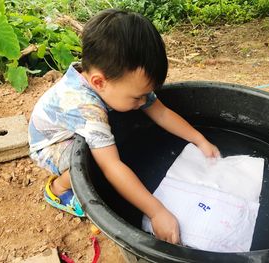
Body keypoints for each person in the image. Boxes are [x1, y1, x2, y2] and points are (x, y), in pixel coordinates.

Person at [28, 9, 220, 244]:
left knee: (109, 142)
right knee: (94, 166)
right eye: (138, 97)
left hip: (76, 126)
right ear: (99, 82)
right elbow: (111, 166)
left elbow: (161, 113)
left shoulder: (113, 79)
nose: (144, 102)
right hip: (51, 145)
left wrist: (198, 139)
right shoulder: (86, 108)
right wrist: (156, 211)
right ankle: (58, 189)